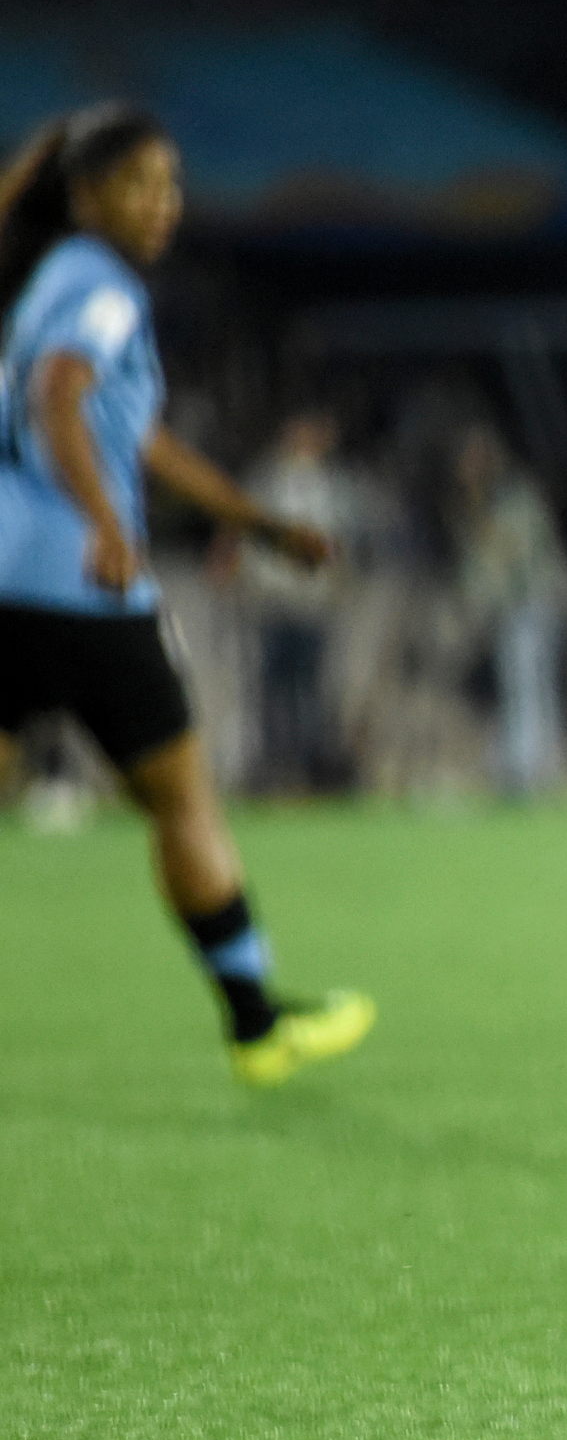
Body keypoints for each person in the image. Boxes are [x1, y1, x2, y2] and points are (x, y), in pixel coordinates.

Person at [0, 103, 375, 1084]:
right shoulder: (100, 287)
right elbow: (58, 399)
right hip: (80, 591)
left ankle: (256, 1021)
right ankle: (257, 1023)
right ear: (87, 199)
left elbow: (140, 437)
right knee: (181, 795)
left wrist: (256, 522)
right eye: (141, 184)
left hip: (7, 580)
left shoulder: (42, 281)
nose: (165, 204)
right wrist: (109, 525)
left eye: (172, 184)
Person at [235, 405, 362, 792]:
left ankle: (312, 768)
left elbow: (344, 544)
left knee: (311, 689)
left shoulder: (333, 486)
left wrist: (338, 585)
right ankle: (275, 766)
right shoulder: (267, 481)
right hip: (274, 601)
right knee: (272, 687)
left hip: (313, 603)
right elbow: (248, 532)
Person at [451, 423, 567, 797]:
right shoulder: (476, 502)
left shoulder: (515, 498)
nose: (467, 468)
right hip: (506, 608)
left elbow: (514, 556)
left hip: (532, 601)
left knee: (530, 683)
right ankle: (520, 765)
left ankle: (534, 770)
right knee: (514, 684)